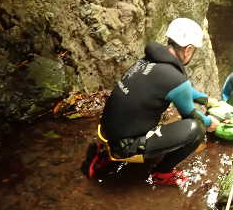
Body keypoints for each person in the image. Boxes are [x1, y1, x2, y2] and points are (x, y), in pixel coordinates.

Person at [81, 17, 220, 185]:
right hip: (126, 145)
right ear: (188, 49)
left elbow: (177, 89)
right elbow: (190, 115)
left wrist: (205, 100)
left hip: (107, 131)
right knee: (196, 130)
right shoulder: (176, 79)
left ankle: (105, 153)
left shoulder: (147, 61)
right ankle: (162, 174)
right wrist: (209, 122)